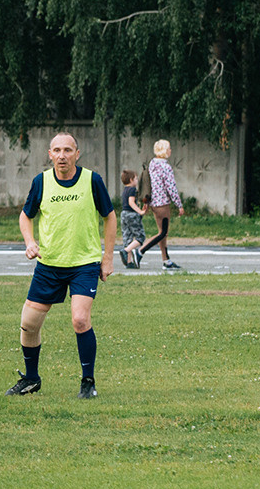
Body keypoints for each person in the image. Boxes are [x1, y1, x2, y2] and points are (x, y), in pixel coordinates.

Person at [10, 132, 116, 399]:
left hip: (84, 264)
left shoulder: (92, 180)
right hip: (49, 265)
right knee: (29, 325)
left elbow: (110, 217)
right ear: (50, 154)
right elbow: (25, 216)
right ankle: (31, 379)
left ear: (77, 154)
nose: (62, 155)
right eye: (57, 150)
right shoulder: (41, 182)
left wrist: (108, 258)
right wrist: (30, 242)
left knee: (80, 320)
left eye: (68, 150)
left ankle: (88, 382)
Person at [140, 140, 183, 270]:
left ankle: (166, 260)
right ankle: (140, 251)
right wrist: (179, 204)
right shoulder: (166, 167)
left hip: (154, 203)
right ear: (164, 150)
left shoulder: (152, 164)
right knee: (163, 233)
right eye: (169, 148)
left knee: (162, 233)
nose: (170, 151)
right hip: (163, 203)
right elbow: (171, 187)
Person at [117, 169, 147, 269]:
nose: (137, 180)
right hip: (131, 214)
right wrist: (140, 211)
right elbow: (131, 203)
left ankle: (129, 262)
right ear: (131, 180)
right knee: (140, 237)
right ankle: (126, 251)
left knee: (127, 237)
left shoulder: (125, 190)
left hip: (124, 214)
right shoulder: (132, 190)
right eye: (136, 178)